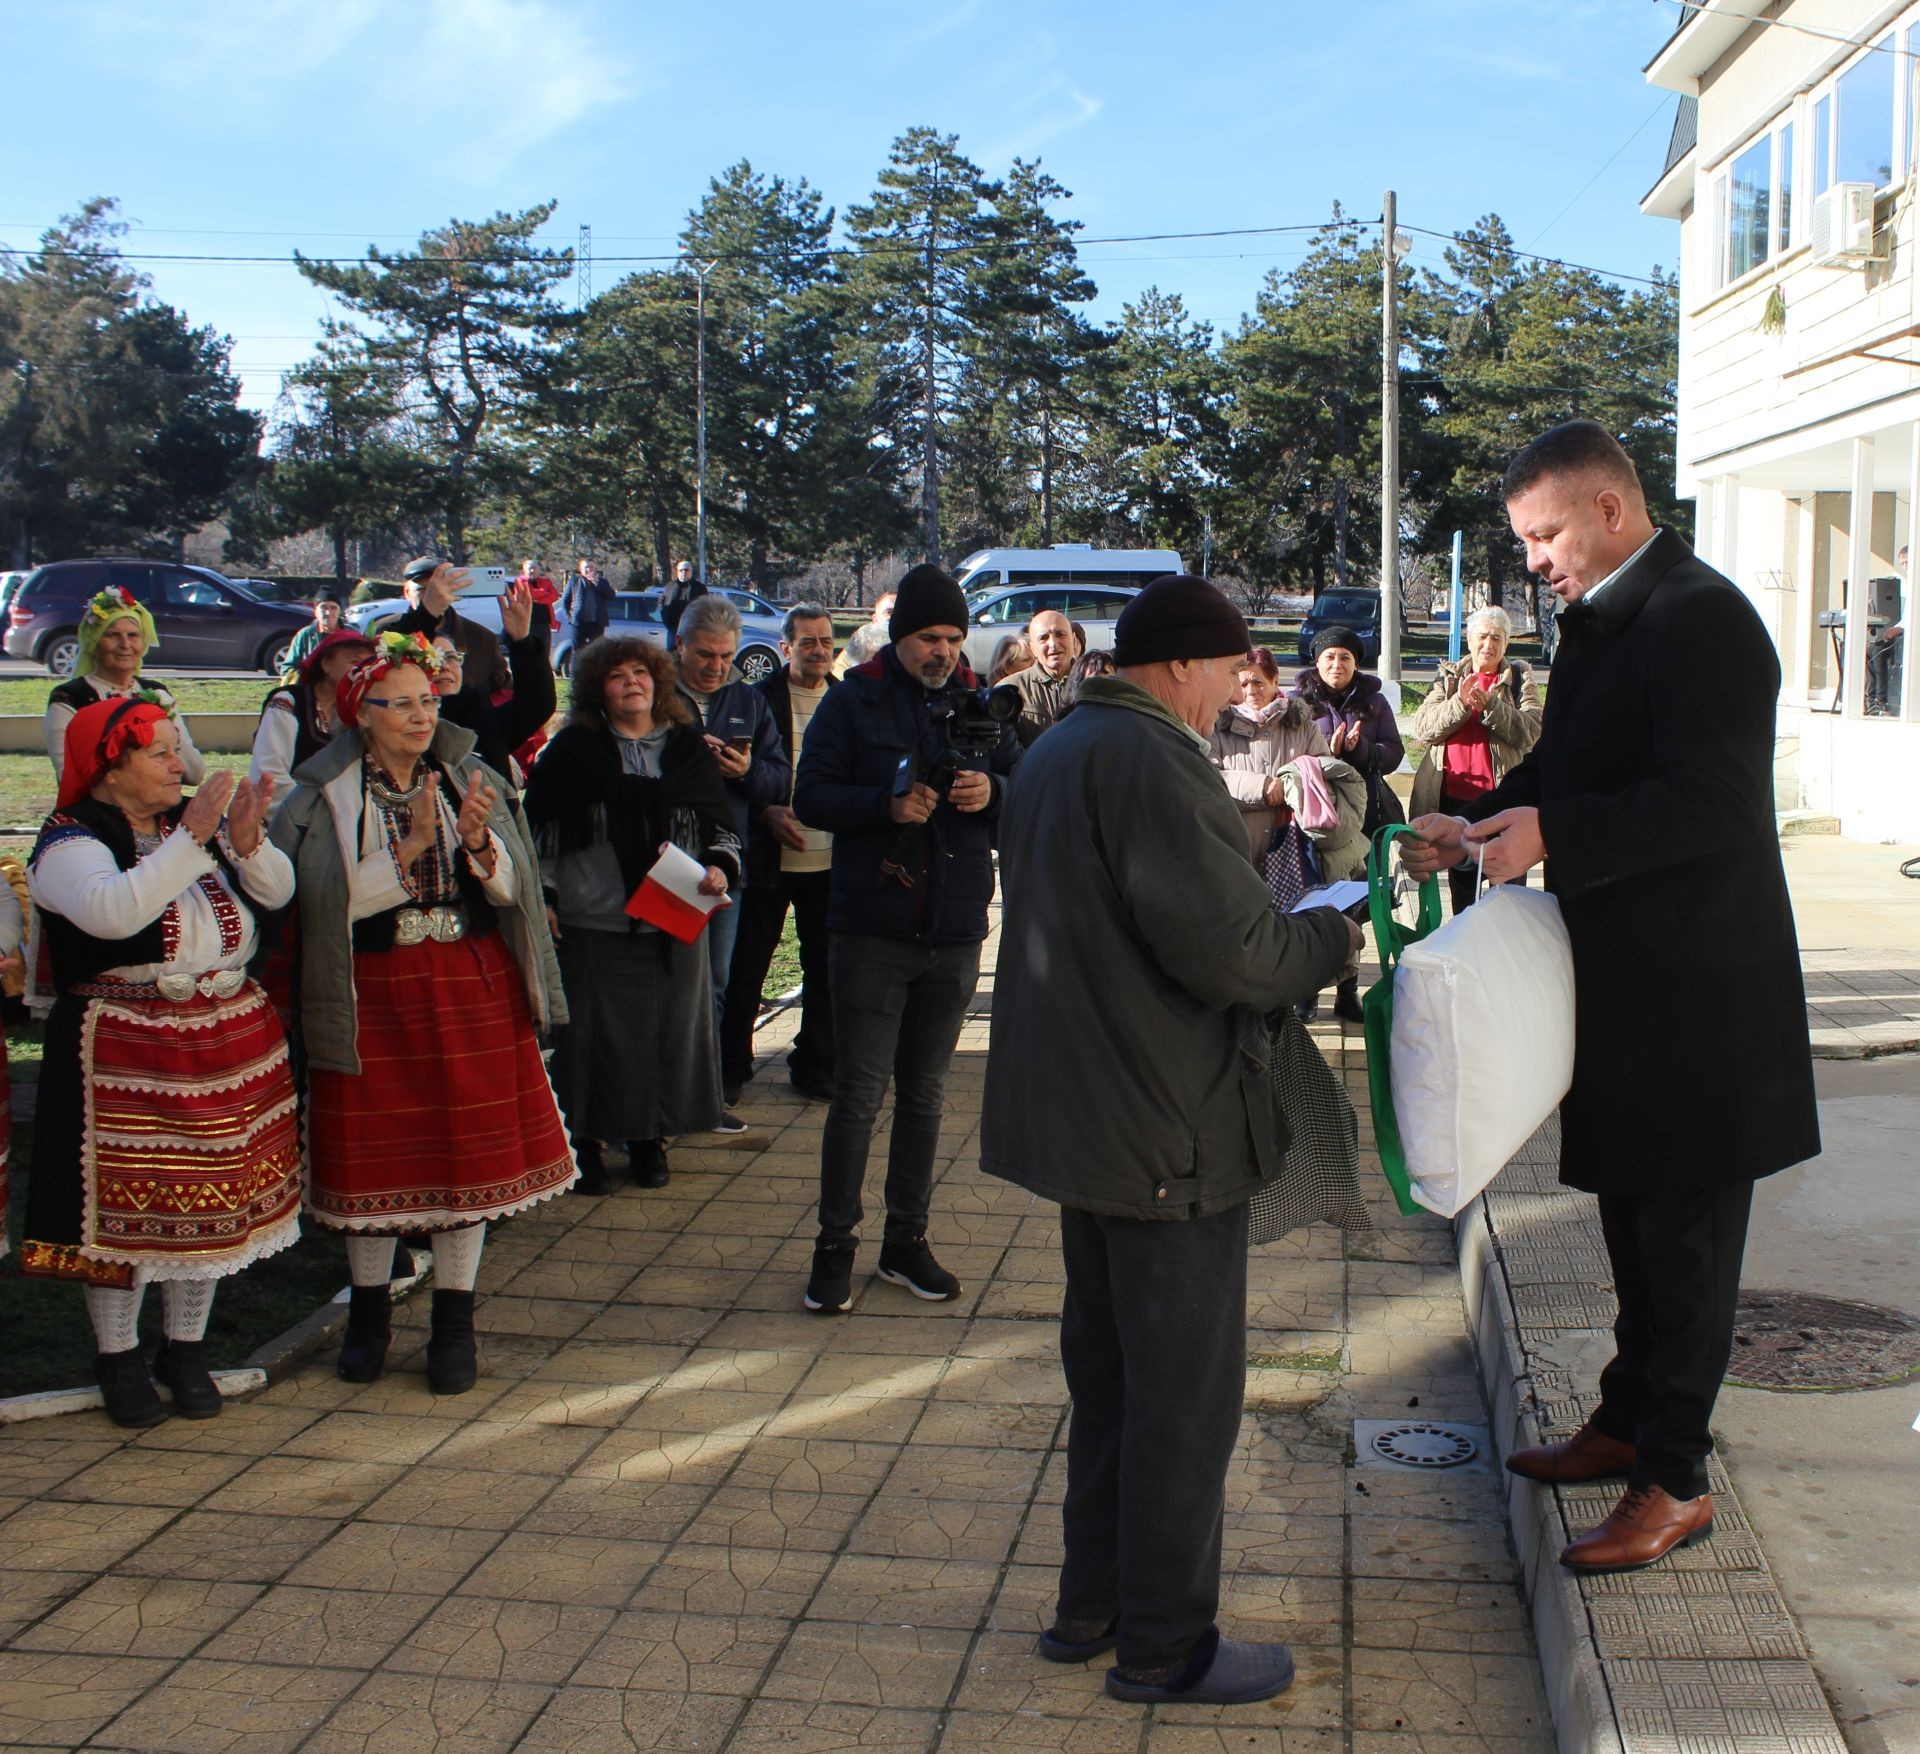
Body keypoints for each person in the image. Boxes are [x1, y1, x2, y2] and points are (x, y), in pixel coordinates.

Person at [1404, 421, 1819, 1574]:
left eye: (1543, 534)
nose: (1533, 558)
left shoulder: (1702, 618)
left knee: (1684, 1249)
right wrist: (1482, 824)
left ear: (1609, 510)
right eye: (1526, 540)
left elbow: (1716, 802)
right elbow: (1568, 772)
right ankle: (1629, 1418)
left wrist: (1555, 830)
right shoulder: (1597, 620)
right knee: (1631, 1227)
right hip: (1628, 988)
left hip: (1703, 999)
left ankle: (1675, 1479)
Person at [983, 574, 1358, 1706]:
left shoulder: (1059, 745)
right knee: (1183, 1396)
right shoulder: (1154, 759)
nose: (1236, 692)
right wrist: (1330, 936)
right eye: (1231, 669)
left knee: (1108, 1378)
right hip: (1164, 1126)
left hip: (1087, 1120)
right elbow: (1237, 954)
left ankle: (1088, 1606)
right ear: (1185, 664)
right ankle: (1165, 1644)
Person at [272, 633, 576, 1395]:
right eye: (401, 702)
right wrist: (400, 858)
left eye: (427, 699)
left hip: (467, 980)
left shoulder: (465, 773)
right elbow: (312, 909)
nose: (420, 714)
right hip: (372, 988)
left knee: (464, 1159)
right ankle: (369, 1313)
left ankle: (453, 1321)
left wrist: (478, 845)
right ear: (360, 712)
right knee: (373, 1158)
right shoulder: (320, 795)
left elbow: (515, 889)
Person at [21, 699, 302, 1428]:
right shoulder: (72, 839)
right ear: (109, 768)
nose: (180, 765)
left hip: (223, 1038)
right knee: (126, 1211)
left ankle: (184, 1349)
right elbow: (115, 914)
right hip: (126, 1045)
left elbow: (278, 893)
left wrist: (243, 843)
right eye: (160, 753)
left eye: (178, 750)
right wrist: (197, 837)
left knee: (210, 1201)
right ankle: (116, 1356)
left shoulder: (188, 833)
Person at [792, 564, 1021, 1314]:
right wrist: (884, 807)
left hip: (954, 931)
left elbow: (1027, 785)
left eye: (956, 639)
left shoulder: (978, 703)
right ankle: (835, 1244)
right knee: (857, 1096)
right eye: (931, 638)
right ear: (900, 636)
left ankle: (906, 1242)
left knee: (924, 1097)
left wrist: (996, 793)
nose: (945, 652)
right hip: (870, 929)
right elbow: (811, 796)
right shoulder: (852, 701)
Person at [526, 637, 739, 1194]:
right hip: (593, 921)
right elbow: (541, 835)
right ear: (598, 687)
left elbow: (721, 826)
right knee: (591, 1044)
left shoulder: (688, 750)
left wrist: (719, 867)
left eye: (641, 672)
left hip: (673, 921)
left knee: (665, 1038)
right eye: (617, 674)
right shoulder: (571, 753)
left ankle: (651, 1141)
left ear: (659, 682)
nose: (631, 682)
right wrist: (546, 898)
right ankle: (587, 1145)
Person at [674, 594, 791, 1110]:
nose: (716, 667)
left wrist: (745, 773)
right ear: (680, 647)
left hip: (727, 863)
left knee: (717, 980)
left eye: (726, 656)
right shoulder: (654, 696)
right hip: (664, 860)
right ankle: (665, 1089)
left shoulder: (746, 701)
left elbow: (779, 777)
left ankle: (707, 1089)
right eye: (704, 655)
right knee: (670, 979)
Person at [1209, 648, 1368, 1023]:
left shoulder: (1300, 722)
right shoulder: (1219, 726)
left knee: (1308, 917)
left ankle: (1318, 992)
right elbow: (1211, 775)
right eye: (1243, 682)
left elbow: (1323, 769)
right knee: (1259, 930)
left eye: (1258, 682)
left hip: (1298, 844)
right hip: (1244, 847)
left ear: (1274, 680)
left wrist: (1297, 782)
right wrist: (1262, 787)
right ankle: (1271, 1002)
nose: (1250, 690)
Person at [721, 604, 838, 1106]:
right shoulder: (756, 700)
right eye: (807, 642)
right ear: (786, 649)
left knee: (825, 970)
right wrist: (765, 812)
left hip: (829, 860)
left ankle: (815, 1064)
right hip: (767, 859)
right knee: (747, 968)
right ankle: (730, 1067)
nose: (818, 650)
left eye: (826, 641)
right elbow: (735, 777)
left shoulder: (845, 699)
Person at [1410, 605, 1544, 915]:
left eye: (1497, 638)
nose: (1489, 645)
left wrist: (1493, 708)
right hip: (1458, 806)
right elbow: (1425, 727)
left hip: (1505, 803)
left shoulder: (1519, 678)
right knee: (1464, 902)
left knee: (1508, 898)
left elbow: (1532, 730)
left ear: (1506, 643)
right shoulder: (1449, 677)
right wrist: (1459, 702)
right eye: (1482, 637)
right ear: (1469, 641)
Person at [45, 588, 207, 787]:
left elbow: (194, 773)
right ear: (94, 643)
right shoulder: (71, 698)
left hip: (157, 808)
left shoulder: (157, 694)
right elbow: (71, 778)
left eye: (133, 635)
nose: (125, 644)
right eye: (113, 635)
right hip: (98, 814)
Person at [429, 580, 556, 778]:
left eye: (452, 657)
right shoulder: (411, 724)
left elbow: (536, 704)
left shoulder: (479, 715)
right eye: (434, 658)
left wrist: (522, 641)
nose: (445, 666)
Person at [1291, 626, 1405, 837]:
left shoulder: (1375, 702)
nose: (1337, 664)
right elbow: (1285, 756)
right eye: (1330, 657)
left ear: (1355, 664)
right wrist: (1328, 752)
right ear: (1317, 662)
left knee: (1365, 869)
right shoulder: (1295, 702)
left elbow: (1393, 753)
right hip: (1312, 809)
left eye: (1345, 657)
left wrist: (1359, 748)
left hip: (1364, 808)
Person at [250, 629, 376, 804]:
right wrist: (311, 817)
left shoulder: (361, 712)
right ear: (326, 664)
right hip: (291, 818)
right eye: (354, 662)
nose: (362, 670)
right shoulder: (289, 702)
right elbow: (269, 773)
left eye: (368, 665)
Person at [375, 557, 511, 695]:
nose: (433, 596)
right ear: (407, 592)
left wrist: (521, 642)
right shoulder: (387, 630)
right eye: (422, 590)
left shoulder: (481, 638)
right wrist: (427, 614)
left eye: (440, 589)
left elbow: (504, 692)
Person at [1009, 609, 1078, 743]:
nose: (1053, 644)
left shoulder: (1093, 684)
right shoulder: (1011, 689)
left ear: (1074, 641)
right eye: (1043, 638)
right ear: (1033, 648)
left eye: (1060, 634)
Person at [1867, 544, 1907, 716]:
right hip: (1904, 630)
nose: (1905, 567)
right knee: (1872, 648)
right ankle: (1873, 700)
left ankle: (1881, 701)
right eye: (1902, 563)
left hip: (1911, 634)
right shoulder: (1908, 583)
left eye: (1907, 562)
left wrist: (1898, 629)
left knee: (1879, 649)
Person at [832, 591, 898, 678]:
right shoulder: (858, 648)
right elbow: (839, 680)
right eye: (889, 612)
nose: (896, 617)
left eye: (901, 612)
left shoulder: (914, 649)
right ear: (875, 618)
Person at [285, 593, 344, 673]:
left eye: (333, 608)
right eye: (324, 607)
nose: (328, 613)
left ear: (339, 611)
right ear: (315, 611)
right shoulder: (305, 635)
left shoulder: (352, 635)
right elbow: (288, 668)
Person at [564, 558, 614, 649]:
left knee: (596, 651)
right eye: (586, 567)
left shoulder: (602, 582)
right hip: (579, 623)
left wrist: (597, 582)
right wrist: (570, 617)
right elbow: (565, 601)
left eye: (591, 567)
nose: (589, 570)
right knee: (577, 651)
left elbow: (611, 595)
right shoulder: (574, 581)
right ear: (580, 569)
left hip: (596, 623)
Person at [661, 559, 706, 649]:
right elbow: (662, 603)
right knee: (672, 654)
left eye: (686, 570)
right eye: (680, 570)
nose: (683, 572)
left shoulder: (699, 588)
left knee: (690, 653)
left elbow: (706, 607)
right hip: (673, 628)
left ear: (691, 571)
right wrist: (667, 622)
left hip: (692, 629)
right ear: (677, 572)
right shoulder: (670, 586)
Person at [1059, 647, 1116, 714]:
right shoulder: (1069, 723)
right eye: (1094, 685)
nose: (1103, 692)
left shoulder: (1126, 720)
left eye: (1110, 684)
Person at [514, 556, 558, 636]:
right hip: (526, 623)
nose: (532, 571)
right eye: (529, 568)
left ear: (539, 570)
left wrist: (537, 600)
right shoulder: (519, 581)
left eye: (534, 568)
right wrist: (545, 592)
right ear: (524, 570)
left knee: (544, 647)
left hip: (544, 623)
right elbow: (530, 594)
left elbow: (554, 596)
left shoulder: (546, 581)